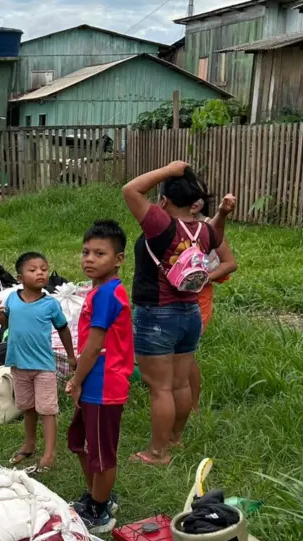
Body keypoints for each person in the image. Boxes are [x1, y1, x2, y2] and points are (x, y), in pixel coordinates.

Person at [122, 161, 221, 467]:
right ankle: (175, 438)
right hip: (190, 312)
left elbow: (130, 190)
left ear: (165, 198)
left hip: (157, 315)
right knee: (180, 384)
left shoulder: (161, 225)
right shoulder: (205, 230)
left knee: (160, 388)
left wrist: (167, 169)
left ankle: (157, 453)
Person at [65, 221, 134, 533]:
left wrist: (76, 380)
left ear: (118, 259)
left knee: (102, 453)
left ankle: (100, 510)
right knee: (78, 441)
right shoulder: (98, 291)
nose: (89, 259)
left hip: (104, 385)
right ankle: (98, 496)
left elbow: (94, 347)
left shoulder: (108, 293)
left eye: (99, 253)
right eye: (85, 252)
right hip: (93, 382)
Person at [0, 252, 76, 474]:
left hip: (44, 366)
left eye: (44, 269)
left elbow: (63, 328)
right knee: (28, 408)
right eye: (33, 269)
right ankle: (29, 444)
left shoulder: (50, 304)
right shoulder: (12, 299)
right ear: (20, 277)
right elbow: (9, 321)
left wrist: (71, 355)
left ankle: (49, 453)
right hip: (19, 364)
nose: (40, 273)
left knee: (47, 410)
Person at [190, 194, 238, 416]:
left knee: (185, 353)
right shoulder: (171, 225)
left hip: (199, 298)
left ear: (196, 205)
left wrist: (205, 278)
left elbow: (230, 263)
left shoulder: (208, 227)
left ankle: (192, 406)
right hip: (171, 296)